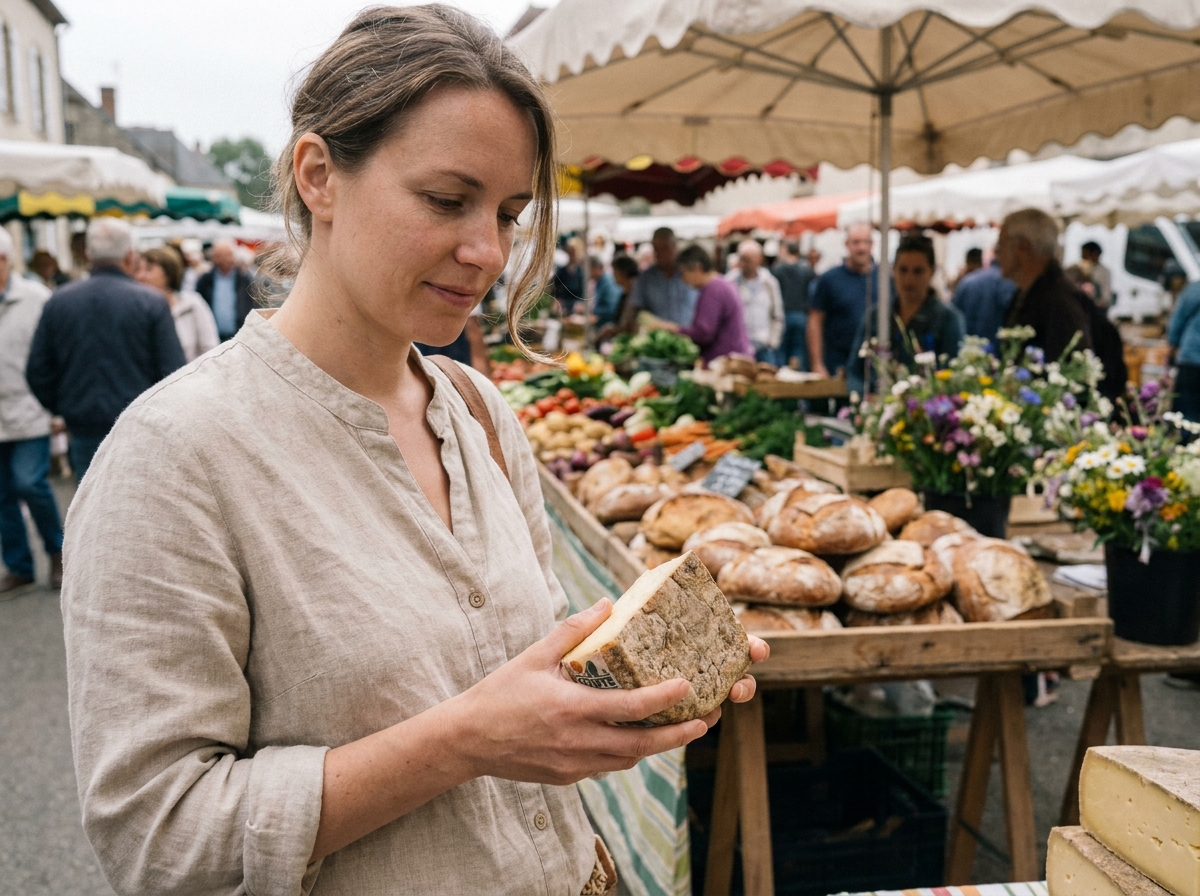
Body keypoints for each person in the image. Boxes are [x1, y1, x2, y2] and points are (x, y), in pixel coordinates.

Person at [60, 8, 768, 895]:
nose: (486, 252)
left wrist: (628, 693)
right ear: (319, 175)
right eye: (445, 200)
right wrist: (464, 741)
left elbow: (535, 670)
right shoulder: (174, 459)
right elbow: (156, 838)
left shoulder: (476, 411)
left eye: (509, 214)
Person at [24, 217, 185, 483]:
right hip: (141, 425)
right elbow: (173, 372)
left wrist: (65, 406)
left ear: (88, 254)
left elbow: (38, 370)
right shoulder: (150, 302)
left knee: (91, 511)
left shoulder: (60, 301)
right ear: (130, 256)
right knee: (140, 508)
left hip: (84, 424)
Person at [0, 228, 63, 597]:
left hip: (30, 408)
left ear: (6, 261)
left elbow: (52, 356)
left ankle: (56, 551)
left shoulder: (36, 298)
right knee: (3, 495)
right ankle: (19, 566)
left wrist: (55, 407)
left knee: (30, 483)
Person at [847, 235, 965, 396]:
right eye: (903, 270)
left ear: (931, 272)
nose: (909, 279)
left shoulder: (948, 319)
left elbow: (953, 375)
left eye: (918, 271)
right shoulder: (876, 316)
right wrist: (862, 396)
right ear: (893, 270)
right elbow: (854, 370)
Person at [996, 208, 1093, 363]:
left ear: (1022, 247)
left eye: (1000, 245)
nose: (997, 253)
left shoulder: (1060, 301)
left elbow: (1072, 373)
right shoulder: (1030, 292)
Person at [654, 243, 752, 364]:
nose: (683, 280)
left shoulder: (713, 289)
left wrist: (673, 329)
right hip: (735, 358)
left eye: (684, 273)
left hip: (725, 363)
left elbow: (704, 334)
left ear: (697, 268)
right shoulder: (722, 283)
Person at [808, 223, 877, 377]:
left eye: (866, 242)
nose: (861, 248)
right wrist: (816, 363)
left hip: (875, 364)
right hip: (838, 363)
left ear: (872, 245)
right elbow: (815, 321)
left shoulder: (884, 279)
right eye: (856, 242)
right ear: (846, 245)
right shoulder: (829, 279)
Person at [137, 246, 221, 363]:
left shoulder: (191, 305)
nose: (140, 276)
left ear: (168, 273)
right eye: (138, 270)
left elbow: (211, 351)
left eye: (148, 269)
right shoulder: (137, 310)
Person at [620, 227, 697, 328]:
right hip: (658, 339)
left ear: (675, 247)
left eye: (664, 248)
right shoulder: (645, 278)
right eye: (656, 249)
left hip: (693, 338)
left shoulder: (691, 274)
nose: (659, 254)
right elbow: (633, 308)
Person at [726, 239, 784, 364]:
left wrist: (772, 341)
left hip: (764, 346)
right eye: (742, 258)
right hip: (738, 346)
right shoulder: (730, 281)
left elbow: (777, 315)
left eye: (748, 259)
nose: (744, 263)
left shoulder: (769, 282)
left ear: (759, 259)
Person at [952, 254, 1017, 346]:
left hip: (966, 352)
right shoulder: (1011, 283)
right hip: (1000, 354)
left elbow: (954, 318)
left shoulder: (967, 282)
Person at [196, 239, 255, 341]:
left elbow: (250, 304)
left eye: (227, 255)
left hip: (238, 334)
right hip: (213, 334)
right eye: (218, 256)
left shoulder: (244, 279)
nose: (223, 259)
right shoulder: (205, 280)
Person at [771, 240, 815, 369]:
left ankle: (783, 377)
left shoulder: (777, 270)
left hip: (783, 314)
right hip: (801, 315)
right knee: (800, 349)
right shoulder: (807, 271)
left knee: (782, 350)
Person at [1167, 278, 1200, 423]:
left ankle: (1186, 443)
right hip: (1191, 357)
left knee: (1185, 416)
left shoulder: (1194, 289)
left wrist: (1172, 348)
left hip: (1191, 359)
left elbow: (1177, 322)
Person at [596, 254, 638, 342]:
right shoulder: (625, 293)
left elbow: (630, 326)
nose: (613, 275)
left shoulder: (636, 294)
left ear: (623, 272)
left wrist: (613, 330)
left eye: (615, 271)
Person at [552, 237, 585, 315]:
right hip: (563, 305)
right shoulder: (561, 271)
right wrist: (557, 300)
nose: (571, 255)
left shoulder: (582, 272)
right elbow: (556, 289)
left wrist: (581, 303)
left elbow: (585, 291)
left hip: (578, 306)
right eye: (569, 252)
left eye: (573, 252)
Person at [589, 255, 622, 331]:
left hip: (608, 327)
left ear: (596, 268)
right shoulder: (599, 281)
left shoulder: (607, 282)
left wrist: (591, 310)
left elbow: (611, 308)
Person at [1080, 240, 1113, 309]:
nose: (1083, 258)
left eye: (1085, 255)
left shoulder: (1104, 272)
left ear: (1095, 254)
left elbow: (1106, 296)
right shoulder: (1077, 268)